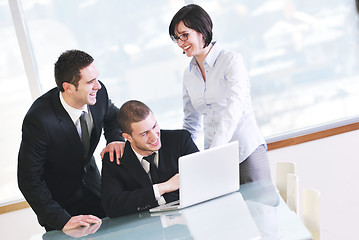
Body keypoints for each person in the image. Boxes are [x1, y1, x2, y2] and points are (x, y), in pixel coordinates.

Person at [18, 49, 125, 231]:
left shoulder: (98, 95)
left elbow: (114, 118)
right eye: (90, 82)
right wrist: (62, 220)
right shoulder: (39, 120)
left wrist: (115, 139)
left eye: (96, 78)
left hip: (96, 193)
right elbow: (29, 179)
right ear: (68, 87)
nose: (98, 86)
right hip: (62, 208)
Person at [168, 4, 271, 184]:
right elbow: (191, 121)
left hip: (245, 151)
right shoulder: (188, 74)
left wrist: (217, 149)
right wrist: (186, 158)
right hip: (215, 159)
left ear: (202, 31)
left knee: (262, 210)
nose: (181, 42)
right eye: (177, 38)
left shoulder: (231, 60)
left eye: (185, 35)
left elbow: (234, 108)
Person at [101, 100, 199, 217]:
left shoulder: (180, 140)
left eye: (154, 126)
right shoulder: (115, 159)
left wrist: (143, 199)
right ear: (128, 137)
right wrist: (162, 188)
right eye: (144, 133)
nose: (154, 137)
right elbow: (112, 207)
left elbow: (202, 181)